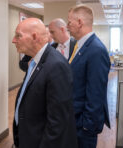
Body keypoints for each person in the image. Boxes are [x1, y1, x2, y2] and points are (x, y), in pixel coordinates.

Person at [12, 18, 77, 148]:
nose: (14, 40)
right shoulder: (35, 62)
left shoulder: (56, 65)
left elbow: (57, 123)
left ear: (35, 37)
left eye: (18, 35)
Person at [66, 5, 111, 148]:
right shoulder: (80, 46)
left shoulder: (96, 50)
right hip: (74, 120)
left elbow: (96, 93)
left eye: (69, 22)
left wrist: (87, 127)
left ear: (79, 22)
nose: (67, 26)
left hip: (84, 126)